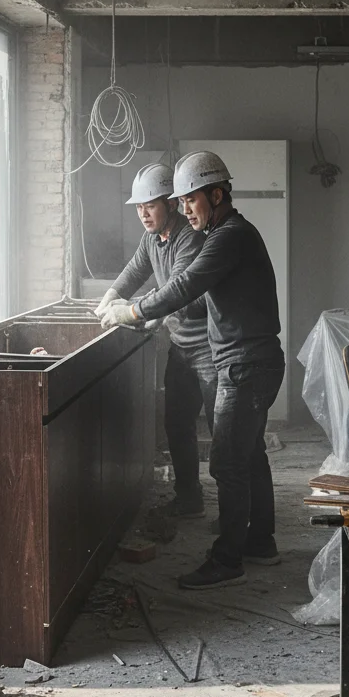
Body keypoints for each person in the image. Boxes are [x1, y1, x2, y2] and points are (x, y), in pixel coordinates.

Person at [101, 151, 285, 591]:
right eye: (180, 202)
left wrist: (129, 311)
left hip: (244, 364)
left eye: (191, 201)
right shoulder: (225, 232)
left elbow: (183, 287)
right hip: (250, 361)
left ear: (217, 195)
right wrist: (120, 298)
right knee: (248, 453)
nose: (185, 210)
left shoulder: (228, 237)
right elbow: (154, 277)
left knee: (227, 461)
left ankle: (228, 559)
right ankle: (259, 541)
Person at [96, 162, 217, 519]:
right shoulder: (153, 238)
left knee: (221, 432)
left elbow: (178, 292)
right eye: (138, 207)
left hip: (208, 349)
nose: (143, 213)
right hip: (181, 347)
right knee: (177, 424)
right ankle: (189, 499)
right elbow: (135, 270)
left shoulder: (189, 237)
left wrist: (135, 312)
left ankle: (234, 518)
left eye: (150, 205)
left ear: (171, 203)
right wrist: (109, 298)